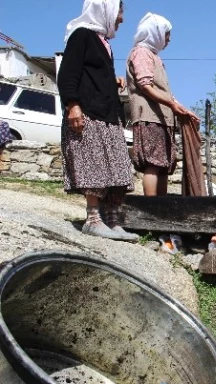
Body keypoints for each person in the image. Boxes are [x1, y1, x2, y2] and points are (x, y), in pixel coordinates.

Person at [57, 0, 137, 241]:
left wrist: (111, 81)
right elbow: (68, 73)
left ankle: (113, 222)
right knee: (94, 168)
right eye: (119, 11)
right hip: (88, 114)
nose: (121, 18)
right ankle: (93, 220)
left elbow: (92, 74)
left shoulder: (104, 42)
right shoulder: (81, 35)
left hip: (108, 116)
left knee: (118, 169)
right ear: (105, 9)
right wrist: (73, 105)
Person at [126, 13, 199, 197]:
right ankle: (151, 208)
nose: (169, 39)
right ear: (154, 32)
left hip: (162, 119)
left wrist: (184, 110)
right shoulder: (141, 52)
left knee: (164, 164)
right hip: (149, 117)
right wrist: (171, 104)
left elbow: (166, 93)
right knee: (153, 163)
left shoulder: (154, 57)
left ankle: (162, 207)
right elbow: (146, 86)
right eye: (166, 34)